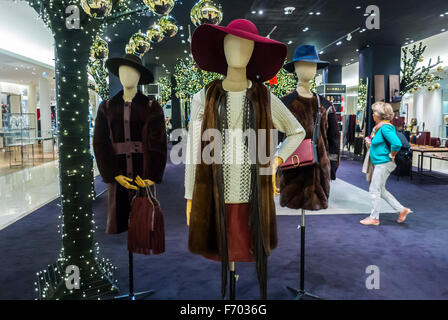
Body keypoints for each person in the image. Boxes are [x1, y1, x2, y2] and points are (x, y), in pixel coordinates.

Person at [360, 102, 412, 226]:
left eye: (375, 112)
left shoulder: (385, 128)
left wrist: (392, 155)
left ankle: (374, 218)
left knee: (374, 189)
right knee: (381, 190)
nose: (372, 114)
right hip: (380, 162)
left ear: (381, 115)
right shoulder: (379, 127)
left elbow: (396, 143)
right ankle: (401, 210)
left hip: (384, 163)